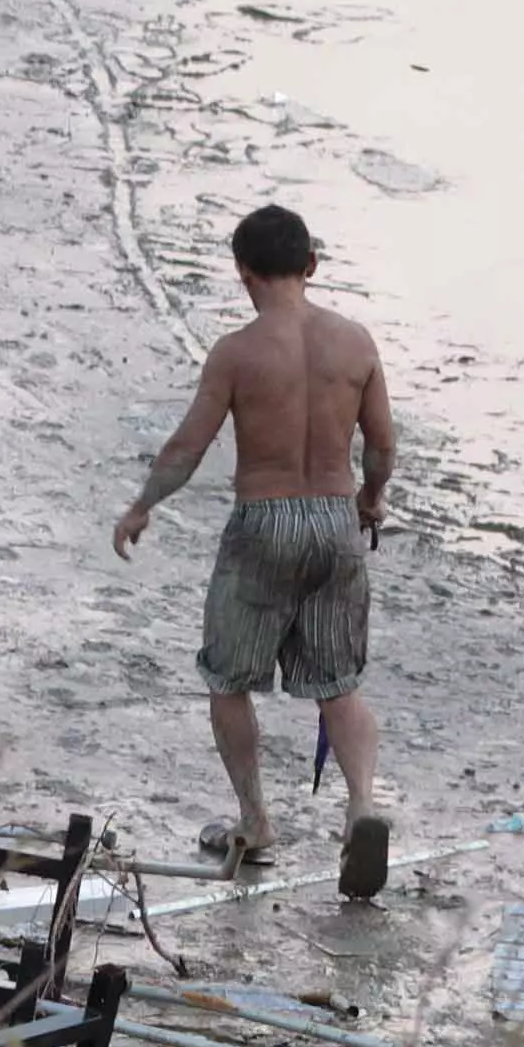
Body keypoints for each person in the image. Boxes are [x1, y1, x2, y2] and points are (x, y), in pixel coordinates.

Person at [112, 205, 394, 897]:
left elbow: (189, 445)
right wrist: (371, 499)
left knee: (229, 678)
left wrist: (144, 505)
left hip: (263, 522)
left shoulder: (236, 353)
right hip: (334, 520)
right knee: (340, 684)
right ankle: (361, 806)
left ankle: (255, 821)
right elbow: (382, 446)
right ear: (312, 265)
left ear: (242, 272)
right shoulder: (355, 343)